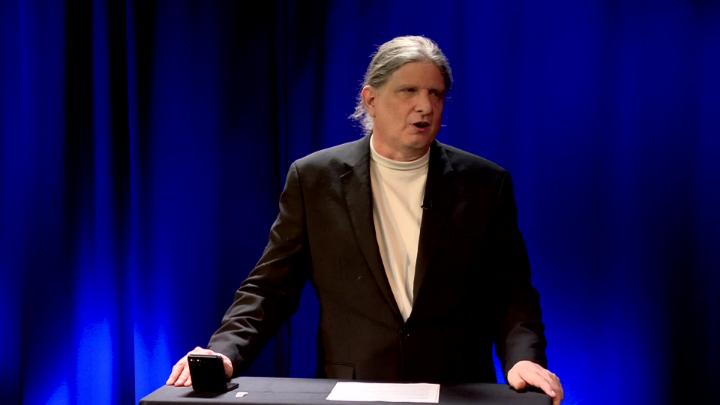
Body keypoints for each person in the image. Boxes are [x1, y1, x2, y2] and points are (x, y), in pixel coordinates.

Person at [167, 35, 563, 404]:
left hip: (456, 389)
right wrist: (224, 351)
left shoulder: (484, 183)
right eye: (409, 91)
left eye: (436, 94)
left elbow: (511, 293)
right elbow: (270, 287)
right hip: (354, 389)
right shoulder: (314, 179)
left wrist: (523, 358)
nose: (425, 106)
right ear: (370, 99)